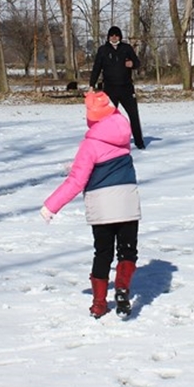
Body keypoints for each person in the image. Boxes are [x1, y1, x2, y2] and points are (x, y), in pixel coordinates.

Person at [40, 91, 141, 318]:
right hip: (127, 201)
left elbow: (77, 180)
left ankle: (98, 303)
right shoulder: (123, 138)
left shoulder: (90, 145)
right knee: (127, 250)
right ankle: (123, 286)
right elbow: (109, 162)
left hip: (102, 207)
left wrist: (50, 206)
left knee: (103, 253)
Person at [88, 26, 145, 149]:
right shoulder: (103, 50)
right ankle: (107, 142)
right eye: (112, 35)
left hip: (126, 88)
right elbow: (96, 68)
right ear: (108, 37)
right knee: (108, 118)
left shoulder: (126, 48)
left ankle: (139, 142)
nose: (114, 38)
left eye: (116, 35)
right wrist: (92, 85)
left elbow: (138, 62)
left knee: (134, 115)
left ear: (120, 36)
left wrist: (132, 64)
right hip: (110, 89)